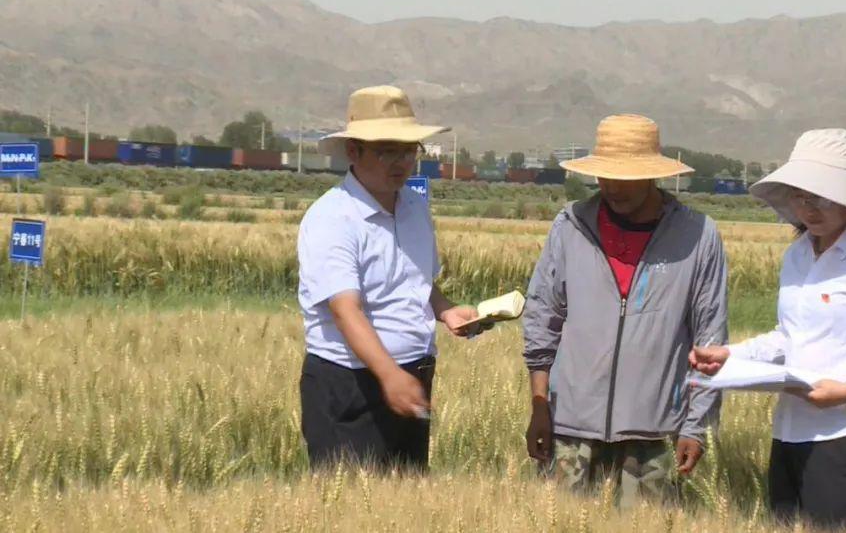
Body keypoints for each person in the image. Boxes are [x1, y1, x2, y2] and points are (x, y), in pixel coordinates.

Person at [691, 128, 846, 529]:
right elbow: (790, 336)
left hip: (845, 440)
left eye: (821, 196)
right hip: (787, 434)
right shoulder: (797, 256)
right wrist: (731, 354)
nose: (809, 208)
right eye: (800, 196)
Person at [522, 114, 727, 508]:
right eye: (605, 176)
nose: (613, 187)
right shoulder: (570, 227)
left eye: (626, 177)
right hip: (569, 429)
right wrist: (539, 403)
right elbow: (542, 320)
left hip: (654, 434)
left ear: (653, 176)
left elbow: (710, 341)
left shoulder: (698, 237)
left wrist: (696, 426)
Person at [297, 85, 481, 470]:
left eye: (408, 150)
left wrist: (445, 310)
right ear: (353, 151)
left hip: (411, 381)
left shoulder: (414, 206)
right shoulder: (332, 218)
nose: (400, 162)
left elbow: (416, 279)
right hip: (352, 388)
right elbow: (346, 310)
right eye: (386, 150)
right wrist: (389, 375)